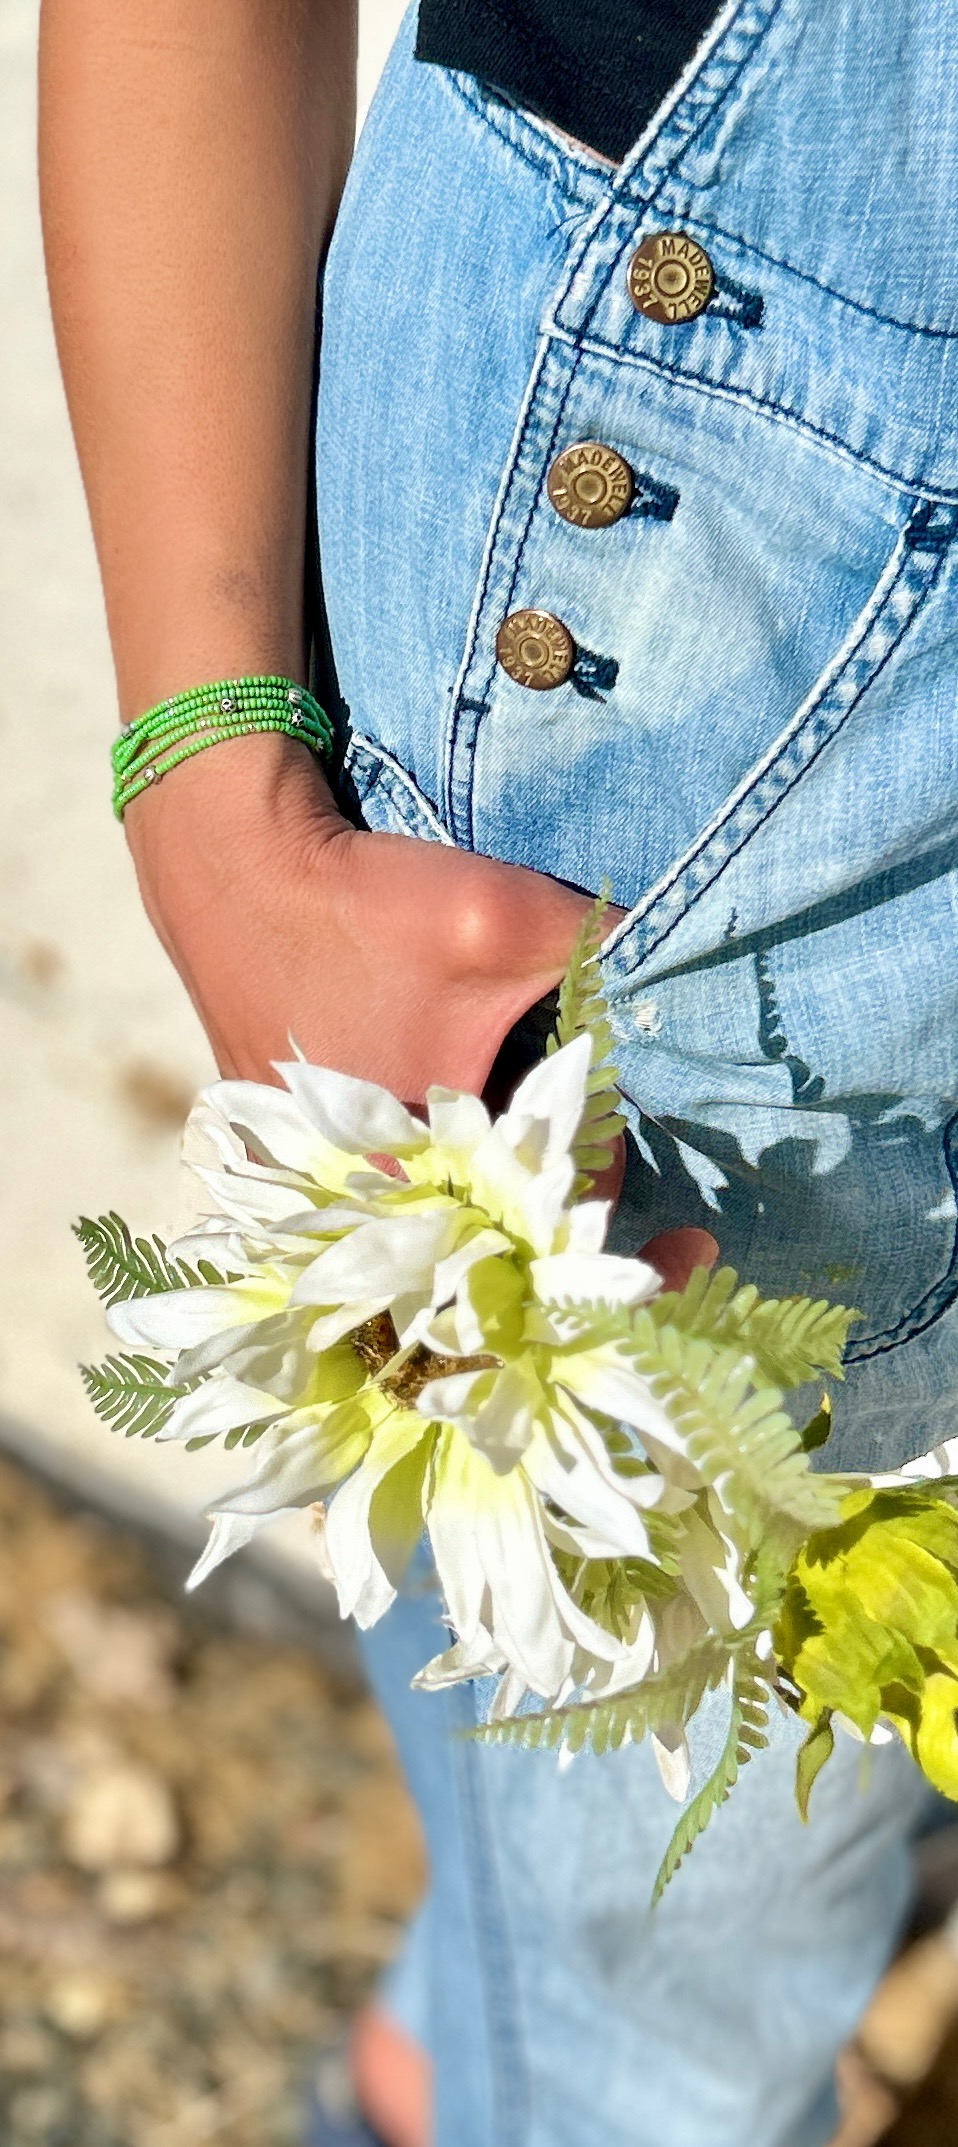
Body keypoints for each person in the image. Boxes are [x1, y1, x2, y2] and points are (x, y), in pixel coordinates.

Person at [38, 0, 958, 2140]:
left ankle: (447, 2065)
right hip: (718, 633)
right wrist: (209, 802)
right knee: (675, 1991)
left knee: (680, 1878)